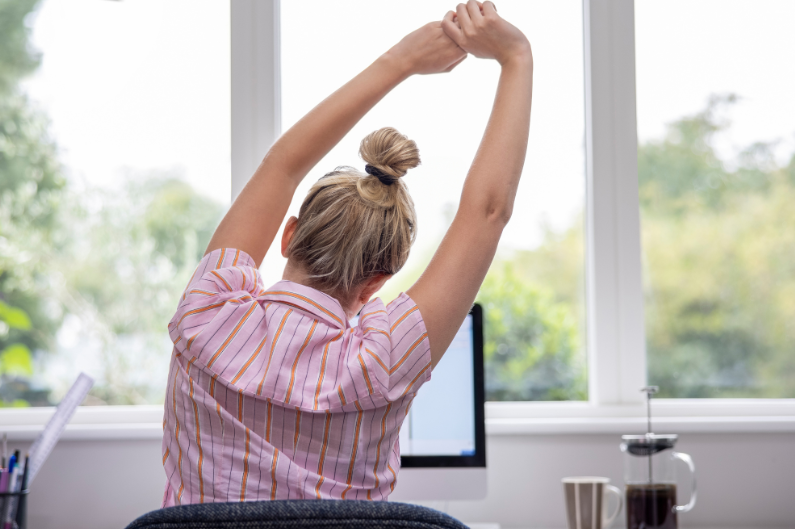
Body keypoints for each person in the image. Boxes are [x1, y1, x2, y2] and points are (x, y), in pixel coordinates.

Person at [162, 0, 532, 505]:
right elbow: (487, 214)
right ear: (378, 280)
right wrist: (517, 58)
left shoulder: (208, 310)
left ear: (288, 234)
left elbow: (281, 167)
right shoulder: (383, 359)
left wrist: (401, 61)